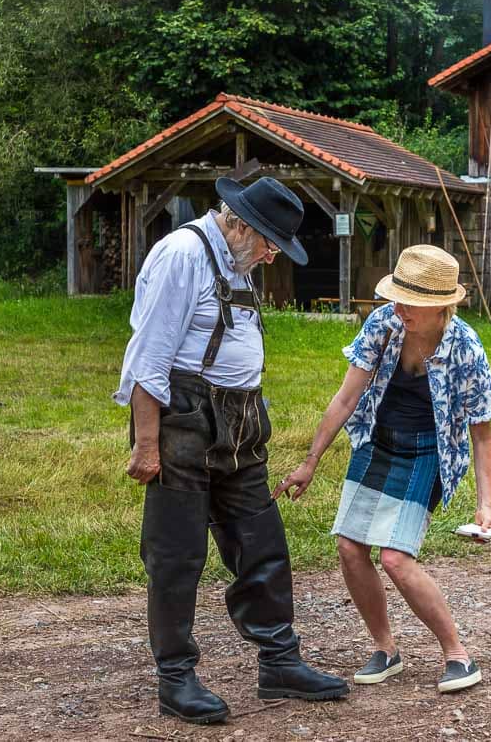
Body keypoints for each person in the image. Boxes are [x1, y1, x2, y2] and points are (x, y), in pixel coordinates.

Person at [115, 175, 349, 725]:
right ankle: (175, 678)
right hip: (184, 419)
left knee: (259, 540)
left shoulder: (236, 260)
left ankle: (280, 663)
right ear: (240, 222)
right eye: (270, 241)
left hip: (241, 419)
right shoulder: (182, 254)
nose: (271, 256)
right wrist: (147, 444)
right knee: (177, 553)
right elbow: (148, 358)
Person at [274, 244, 491, 694]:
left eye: (409, 301)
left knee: (396, 558)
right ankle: (386, 649)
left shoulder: (466, 349)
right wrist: (310, 462)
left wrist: (485, 506)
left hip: (426, 452)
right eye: (396, 296)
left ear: (440, 306)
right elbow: (345, 399)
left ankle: (458, 654)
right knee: (348, 546)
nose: (398, 307)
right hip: (377, 442)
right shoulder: (383, 325)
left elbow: (482, 434)